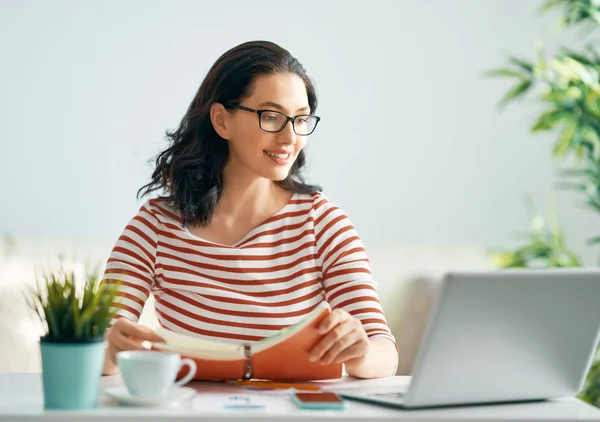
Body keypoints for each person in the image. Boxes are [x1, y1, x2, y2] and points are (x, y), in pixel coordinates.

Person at [101, 40, 398, 379]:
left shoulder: (324, 225)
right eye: (271, 117)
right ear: (221, 121)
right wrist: (109, 349)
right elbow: (95, 346)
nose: (290, 138)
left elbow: (384, 352)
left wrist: (360, 353)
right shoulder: (155, 226)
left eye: (300, 120)